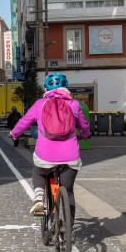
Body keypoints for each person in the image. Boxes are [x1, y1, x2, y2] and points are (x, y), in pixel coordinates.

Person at [10, 72, 89, 220]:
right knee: (69, 191)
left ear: (46, 89)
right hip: (69, 156)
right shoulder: (75, 105)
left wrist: (14, 133)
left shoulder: (40, 104)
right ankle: (68, 229)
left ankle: (39, 198)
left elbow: (24, 122)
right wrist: (84, 135)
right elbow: (84, 126)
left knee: (39, 172)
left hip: (45, 155)